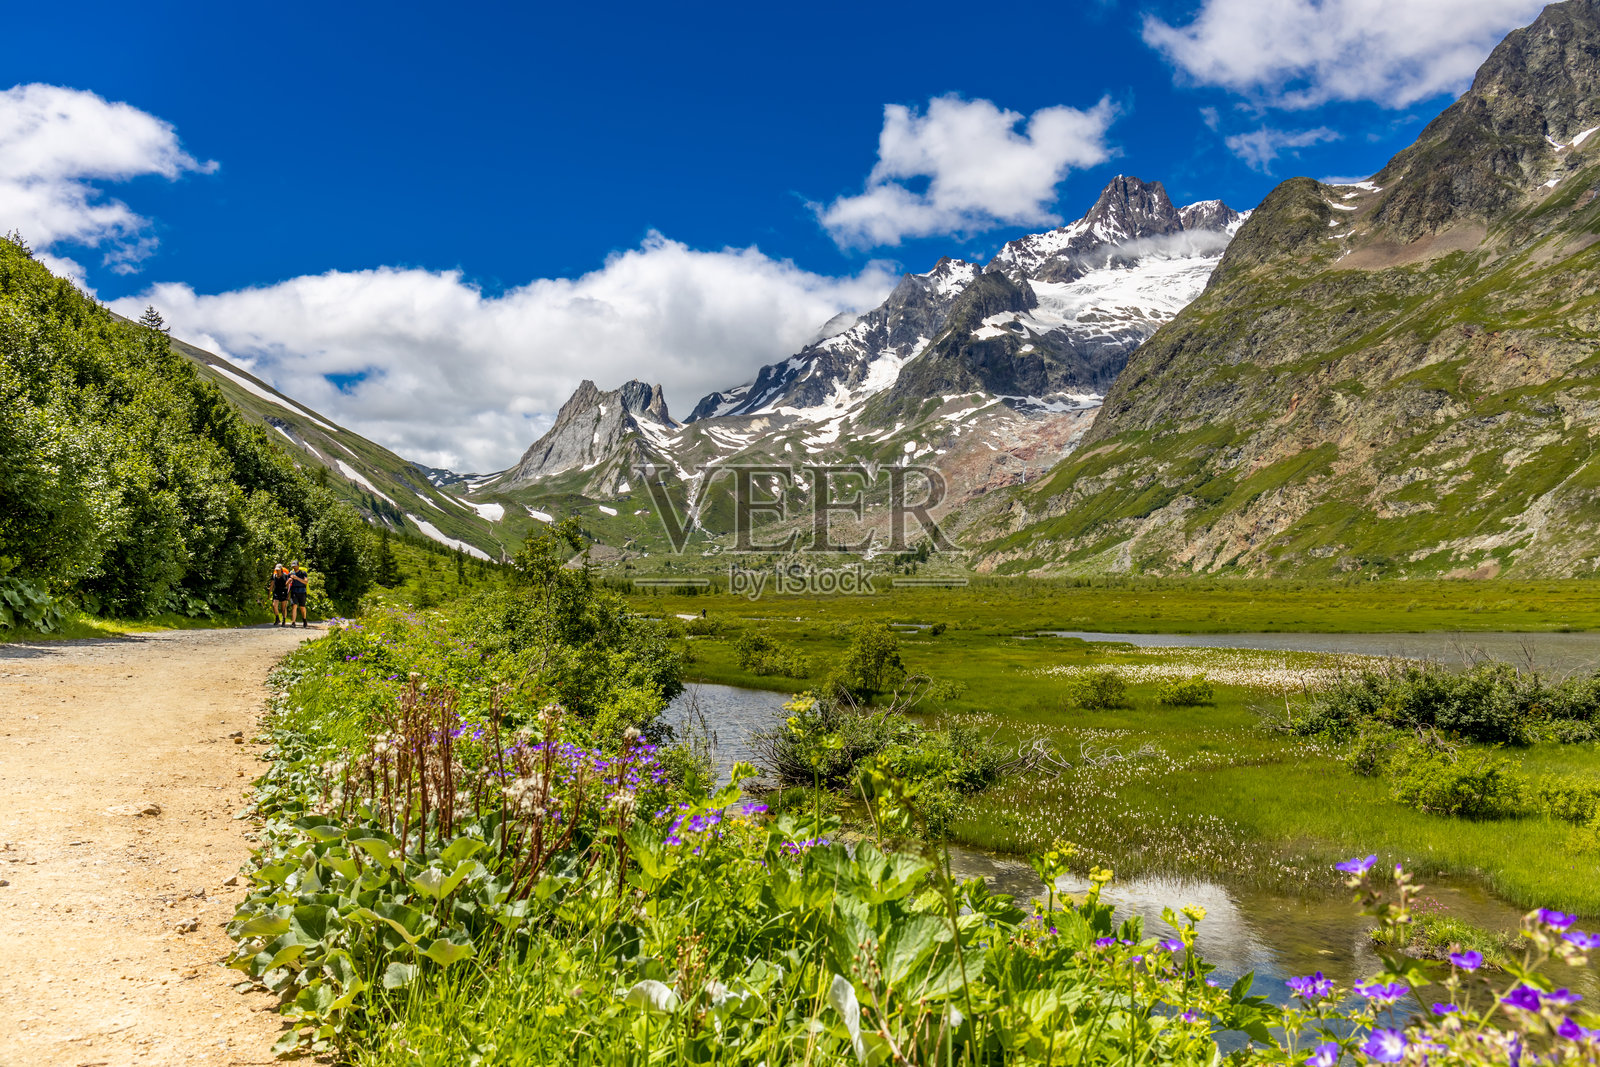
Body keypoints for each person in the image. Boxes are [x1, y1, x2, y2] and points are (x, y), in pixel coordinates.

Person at [287, 562, 310, 628]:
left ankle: (304, 620)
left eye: (295, 566)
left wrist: (297, 578)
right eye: (293, 566)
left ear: (298, 566)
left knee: (302, 607)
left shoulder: (303, 573)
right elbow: (287, 584)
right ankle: (293, 622)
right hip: (294, 591)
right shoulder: (290, 573)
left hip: (302, 592)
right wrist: (289, 580)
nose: (294, 567)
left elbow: (306, 582)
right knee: (294, 606)